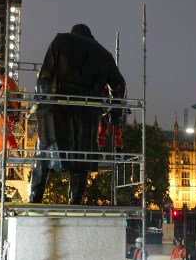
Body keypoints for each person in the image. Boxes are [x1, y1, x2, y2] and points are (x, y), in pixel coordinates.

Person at [28, 23, 126, 205]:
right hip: (87, 111)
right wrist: (116, 113)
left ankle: (35, 197)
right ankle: (75, 201)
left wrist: (41, 103)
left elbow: (45, 76)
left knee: (43, 152)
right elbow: (119, 84)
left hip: (56, 106)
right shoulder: (104, 54)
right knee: (82, 156)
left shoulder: (61, 40)